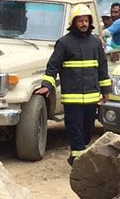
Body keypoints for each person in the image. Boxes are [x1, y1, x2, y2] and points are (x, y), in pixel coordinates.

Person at [38, 11, 111, 164]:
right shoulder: (64, 43)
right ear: (73, 22)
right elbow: (53, 66)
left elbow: (102, 68)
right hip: (72, 98)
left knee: (87, 131)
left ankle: (77, 155)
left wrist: (105, 90)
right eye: (80, 21)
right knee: (75, 129)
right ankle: (77, 160)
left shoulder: (95, 43)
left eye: (86, 21)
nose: (84, 24)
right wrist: (47, 85)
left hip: (91, 97)